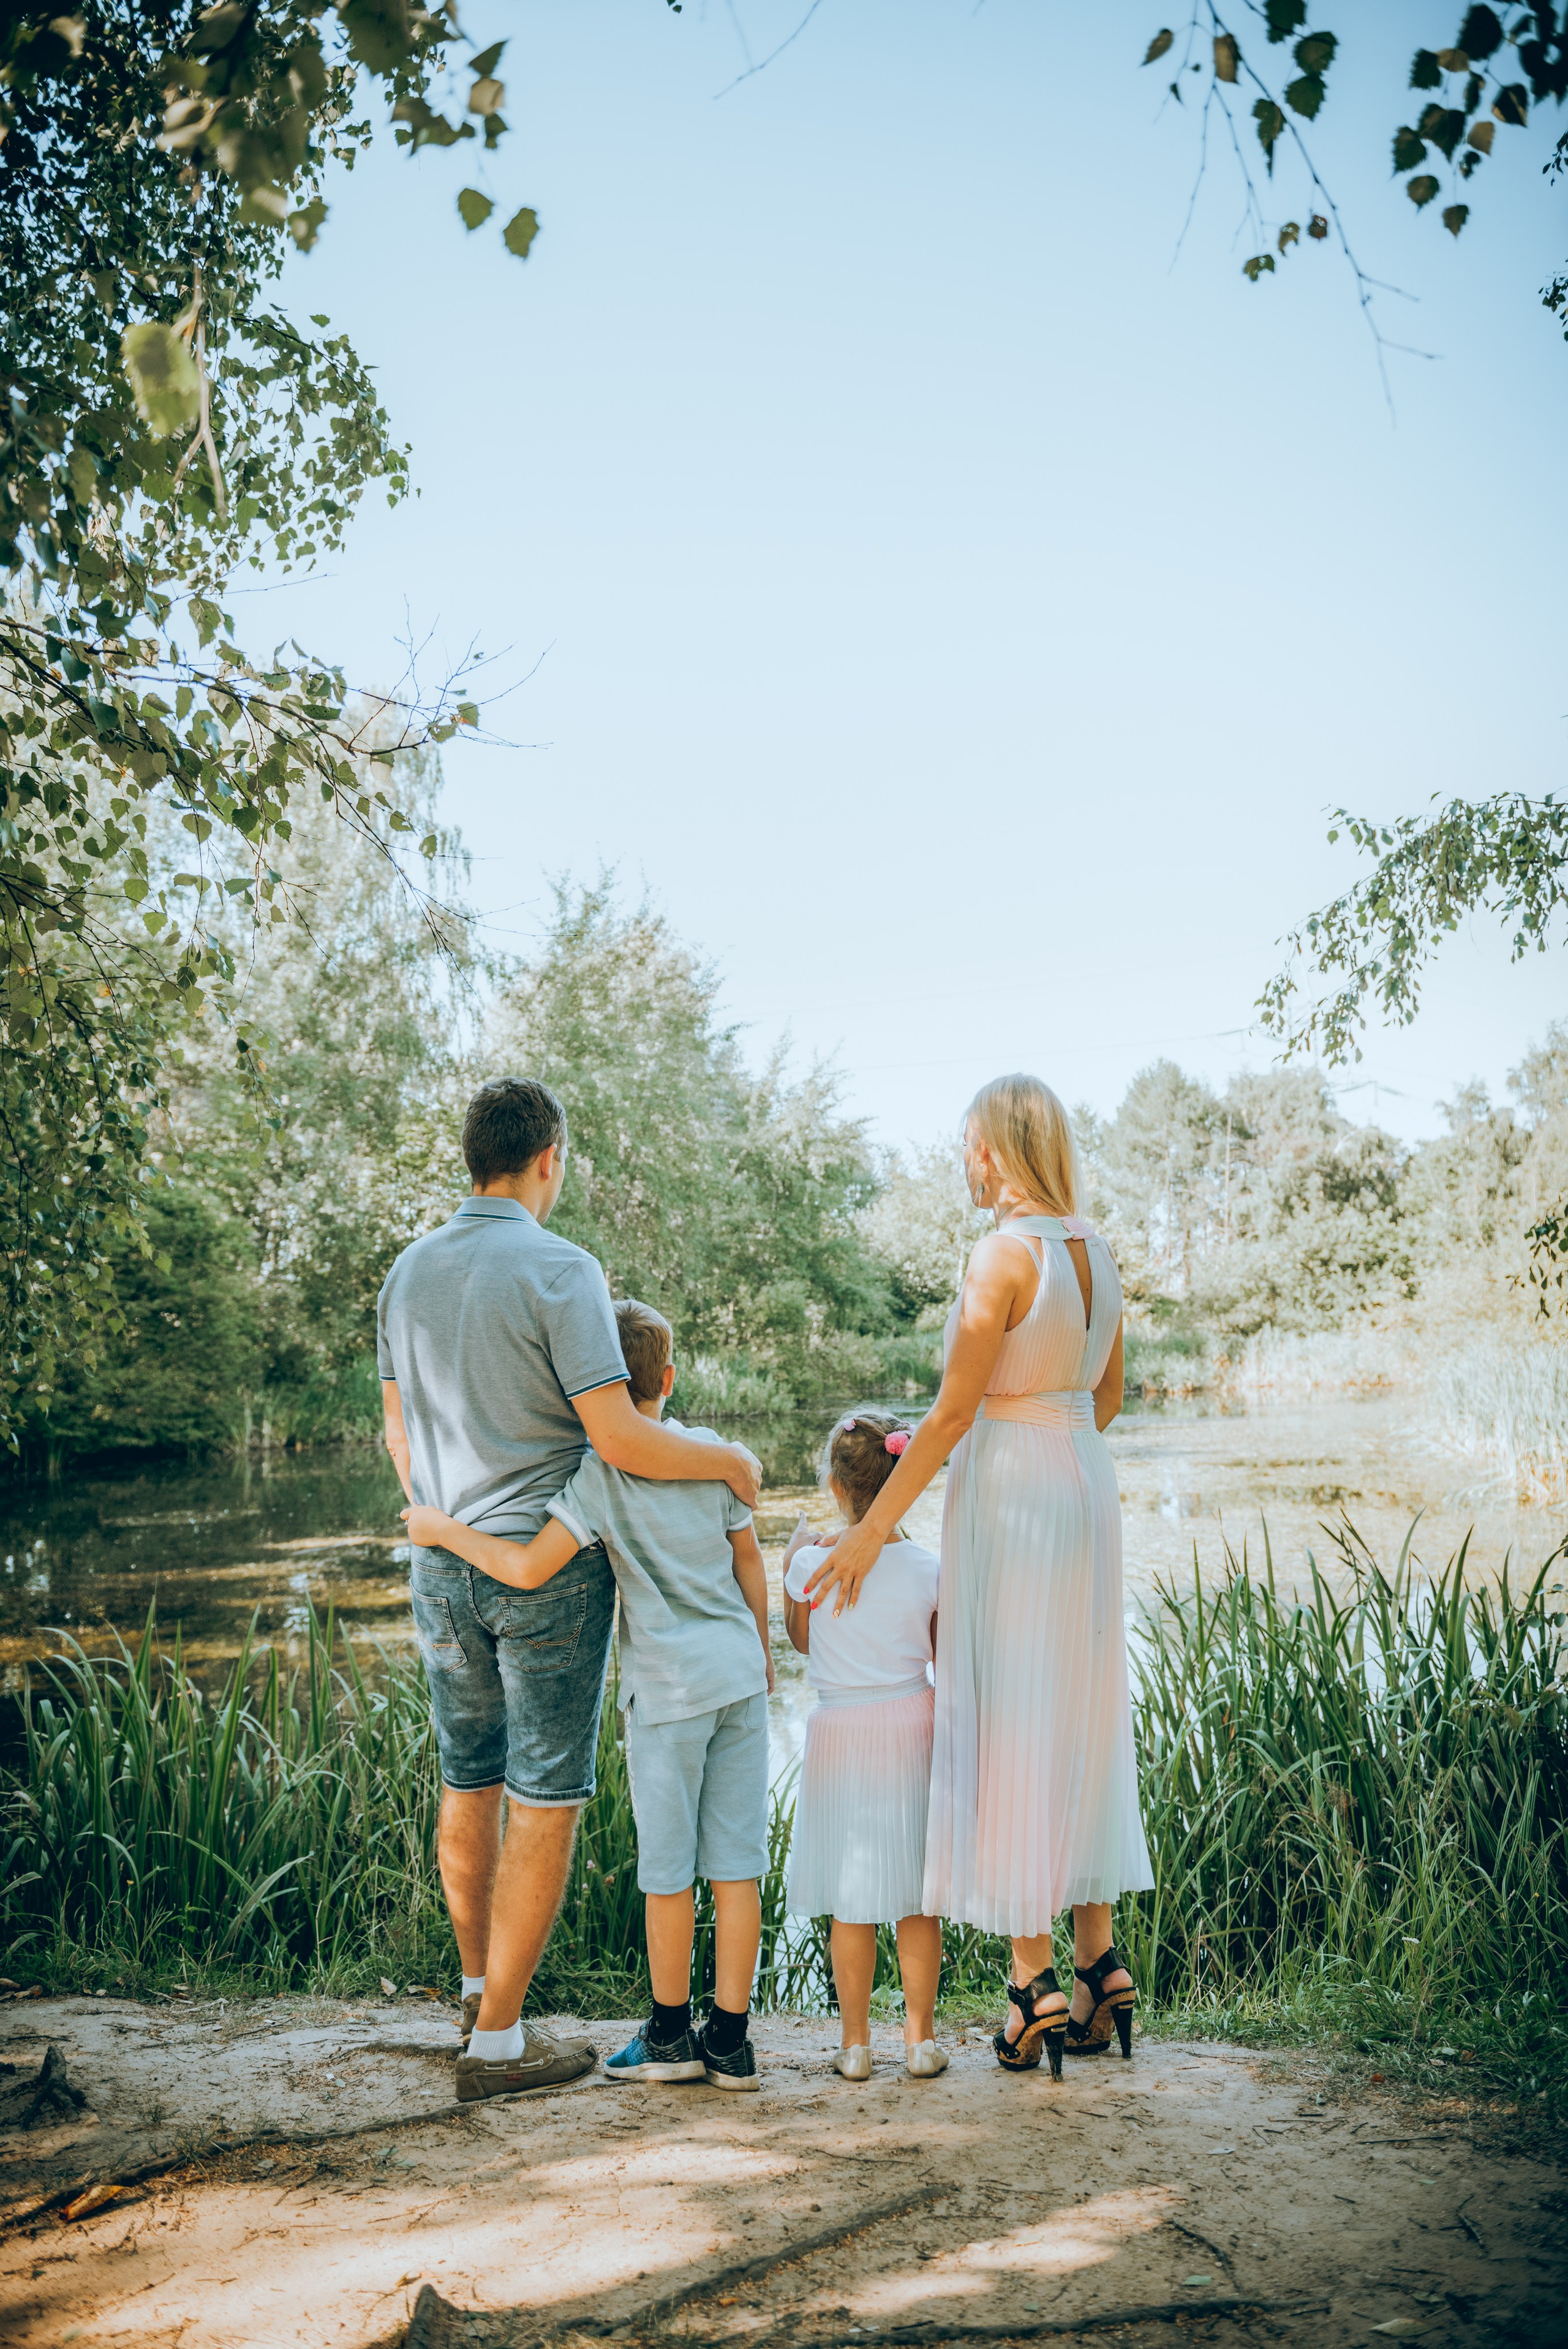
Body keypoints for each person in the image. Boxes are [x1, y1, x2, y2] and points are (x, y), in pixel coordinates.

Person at [378, 1079, 762, 2103]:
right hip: (545, 1571)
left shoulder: (406, 1274)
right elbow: (621, 1437)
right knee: (546, 1798)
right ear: (550, 1157)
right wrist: (727, 1463)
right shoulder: (562, 1269)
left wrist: (439, 1518)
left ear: (475, 1157)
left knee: (468, 1778)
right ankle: (499, 2043)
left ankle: (476, 1991)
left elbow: (398, 1433)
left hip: (442, 1565)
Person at [805, 1073, 1154, 2080]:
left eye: (966, 1144)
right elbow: (1108, 1396)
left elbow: (958, 1413)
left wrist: (872, 1530)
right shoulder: (1095, 1251)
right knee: (1080, 1710)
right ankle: (1101, 1967)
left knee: (1007, 1716)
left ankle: (1032, 1983)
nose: (962, 1161)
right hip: (1084, 1484)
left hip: (1009, 1498)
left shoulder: (1001, 1254)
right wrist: (1036, 1430)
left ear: (996, 1150)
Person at [780, 1411, 946, 2081]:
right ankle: (919, 2040)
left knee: (852, 1898)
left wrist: (793, 1551)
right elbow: (941, 1655)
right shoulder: (928, 1568)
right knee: (914, 1896)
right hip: (912, 1723)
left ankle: (854, 2044)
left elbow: (799, 1641)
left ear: (833, 1485)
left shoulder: (810, 1564)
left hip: (840, 1733)